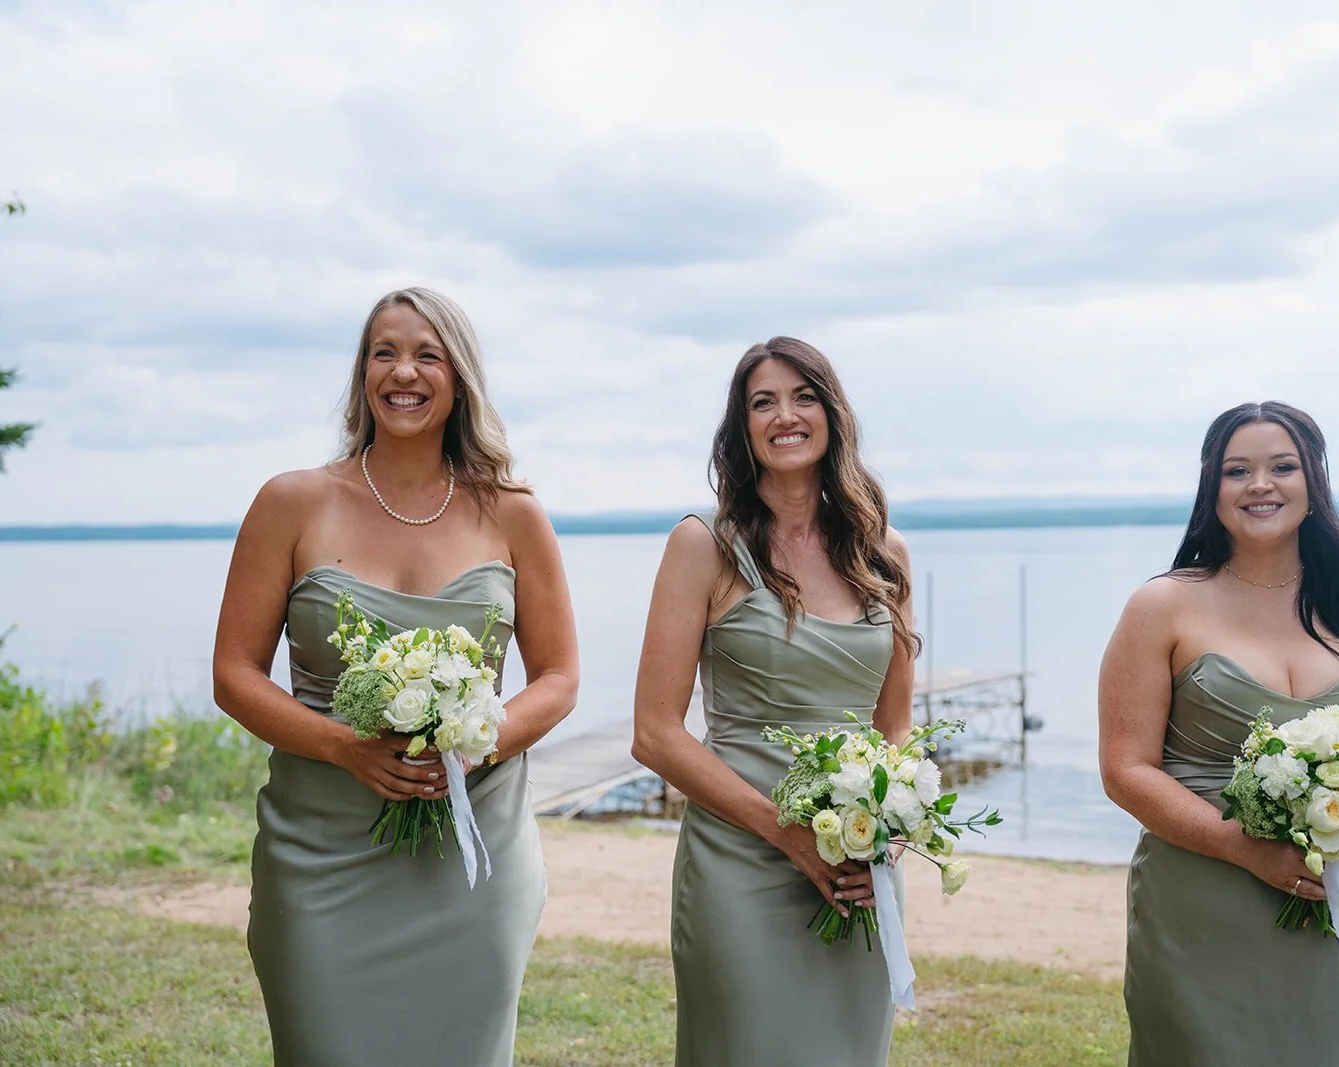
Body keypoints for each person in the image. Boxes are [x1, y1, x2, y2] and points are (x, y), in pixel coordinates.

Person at [212, 287, 578, 1065]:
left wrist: (480, 738)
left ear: (459, 379)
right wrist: (344, 745)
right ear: (362, 373)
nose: (402, 371)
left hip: (474, 854)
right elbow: (234, 674)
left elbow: (559, 676)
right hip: (321, 854)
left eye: (426, 353)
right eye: (384, 351)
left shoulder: (514, 512)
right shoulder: (292, 502)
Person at [1097, 401, 1339, 1066]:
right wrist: (1237, 844)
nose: (1260, 484)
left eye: (1282, 466)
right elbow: (1125, 766)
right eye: (1237, 469)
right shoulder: (1161, 605)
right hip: (1199, 911)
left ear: (1314, 480)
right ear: (1212, 487)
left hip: (1333, 911)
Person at [632, 337, 919, 1067]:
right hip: (740, 863)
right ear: (742, 428)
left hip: (856, 867)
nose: (785, 415)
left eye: (803, 396)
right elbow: (656, 734)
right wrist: (783, 831)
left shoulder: (886, 552)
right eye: (763, 402)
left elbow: (893, 725)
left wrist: (884, 832)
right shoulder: (703, 546)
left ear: (832, 414)